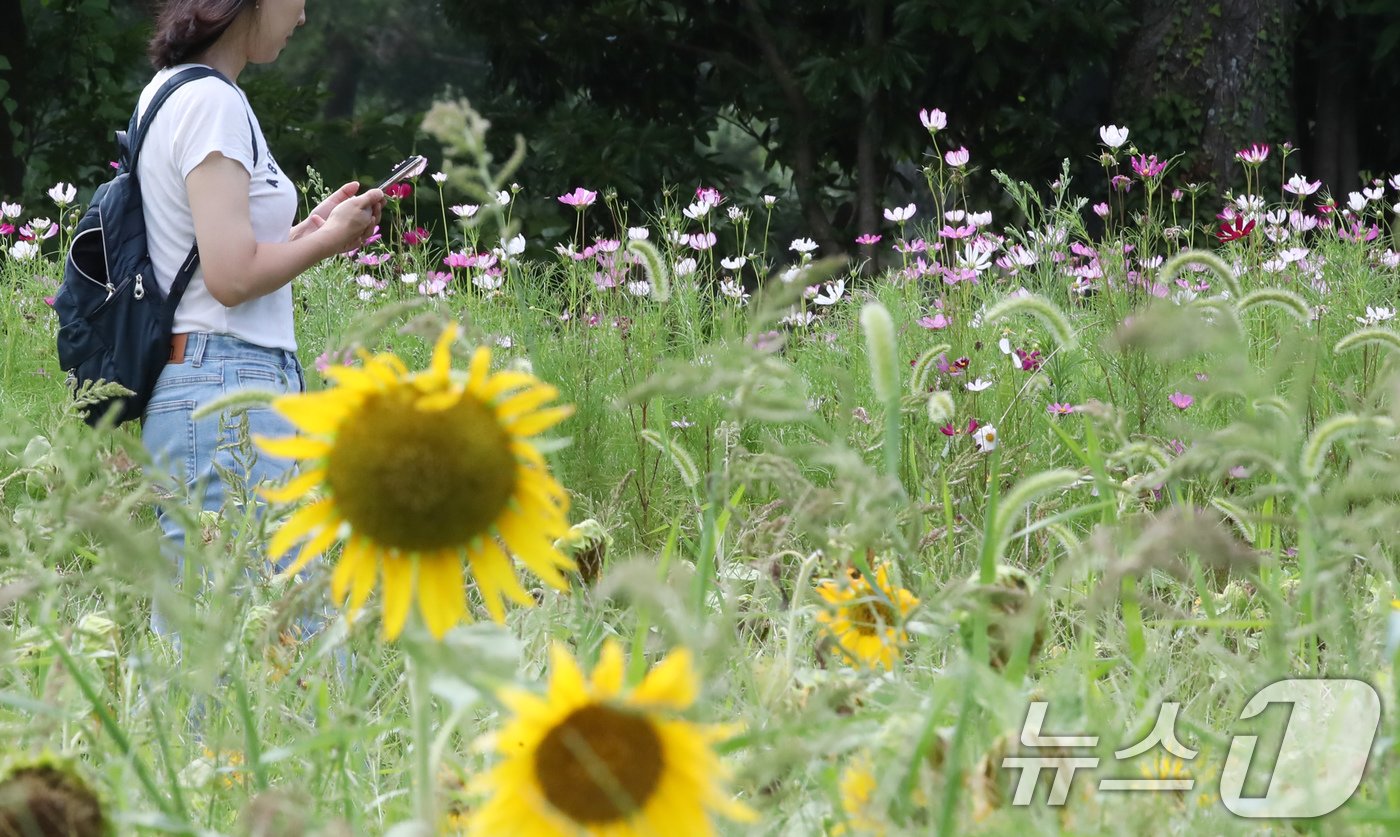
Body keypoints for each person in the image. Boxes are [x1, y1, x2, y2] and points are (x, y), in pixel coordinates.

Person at [138, 0, 385, 639]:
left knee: (226, 641)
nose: (303, 17)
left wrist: (307, 232)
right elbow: (229, 277)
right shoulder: (214, 104)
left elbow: (210, 256)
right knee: (280, 647)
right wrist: (329, 243)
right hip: (227, 389)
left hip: (204, 383)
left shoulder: (168, 93)